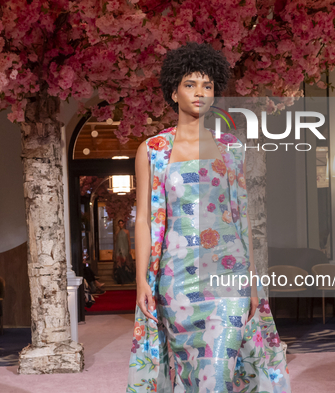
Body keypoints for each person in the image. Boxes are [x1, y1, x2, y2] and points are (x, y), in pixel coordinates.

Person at [127, 42, 291, 393]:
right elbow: (143, 219)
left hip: (228, 276)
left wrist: (251, 280)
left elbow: (240, 217)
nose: (200, 92)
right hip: (177, 281)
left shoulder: (231, 148)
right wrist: (142, 280)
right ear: (173, 91)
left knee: (216, 376)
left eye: (207, 85)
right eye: (190, 84)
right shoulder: (153, 150)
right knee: (188, 377)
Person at [113, 219, 135, 284]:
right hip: (118, 250)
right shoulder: (117, 232)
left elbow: (129, 241)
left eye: (122, 223)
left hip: (125, 249)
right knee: (119, 264)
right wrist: (115, 251)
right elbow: (116, 242)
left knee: (126, 264)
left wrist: (130, 250)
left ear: (123, 224)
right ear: (118, 225)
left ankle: (127, 278)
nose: (121, 225)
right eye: (119, 224)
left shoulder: (127, 231)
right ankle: (121, 279)